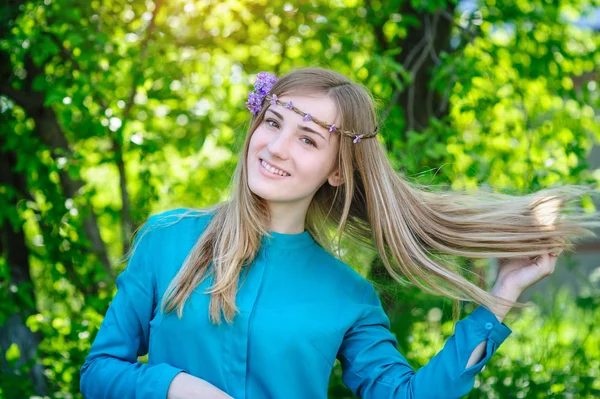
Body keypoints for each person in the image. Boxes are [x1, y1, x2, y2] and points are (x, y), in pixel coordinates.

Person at [79, 68, 598, 399]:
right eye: (273, 122)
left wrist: (502, 294)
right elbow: (100, 371)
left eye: (307, 139)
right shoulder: (167, 238)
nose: (277, 147)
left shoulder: (348, 296)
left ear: (338, 170)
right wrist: (174, 386)